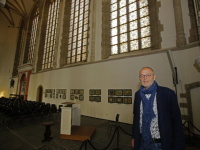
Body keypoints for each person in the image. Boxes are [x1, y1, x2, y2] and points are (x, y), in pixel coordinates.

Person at [132, 67, 185, 150]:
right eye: (142, 75)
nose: (145, 78)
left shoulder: (167, 93)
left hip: (160, 144)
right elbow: (136, 119)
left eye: (148, 75)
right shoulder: (137, 95)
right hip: (142, 143)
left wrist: (178, 145)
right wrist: (134, 137)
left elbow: (176, 122)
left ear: (154, 76)